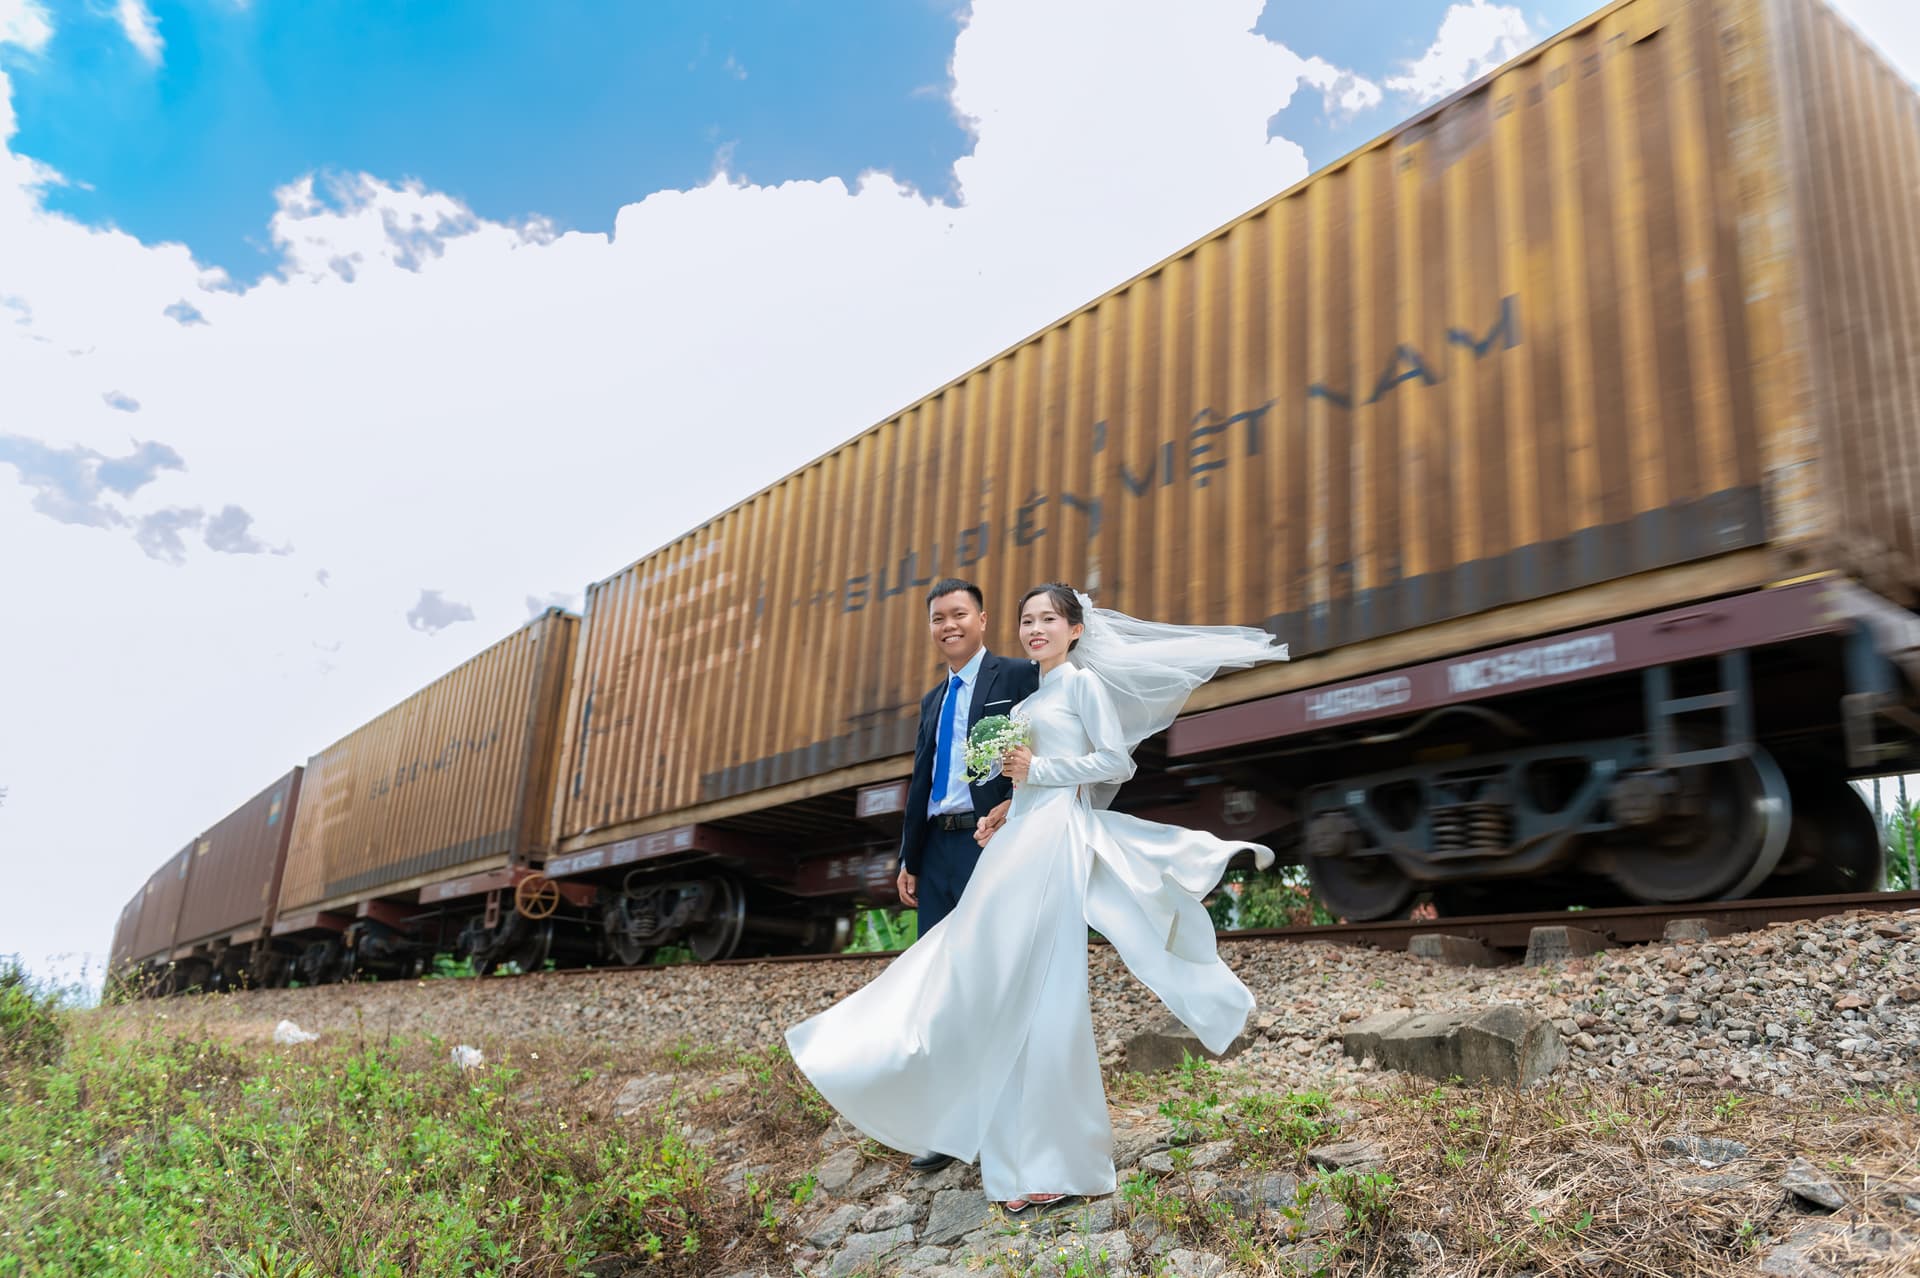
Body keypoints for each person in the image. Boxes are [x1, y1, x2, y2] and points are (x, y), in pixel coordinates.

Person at [788, 582, 1288, 1211]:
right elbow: (1026, 776)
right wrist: (1004, 808)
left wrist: (1039, 774)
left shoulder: (1080, 685)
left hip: (1053, 850)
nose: (1036, 630)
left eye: (1049, 619)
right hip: (1018, 841)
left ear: (1075, 630)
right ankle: (1007, 1158)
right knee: (988, 985)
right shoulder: (1034, 699)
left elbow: (1116, 764)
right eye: (1029, 620)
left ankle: (1061, 1160)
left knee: (1049, 999)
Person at [893, 578, 1038, 1172]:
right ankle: (952, 1126)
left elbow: (1047, 744)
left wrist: (1019, 805)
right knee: (943, 988)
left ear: (982, 618)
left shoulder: (1019, 676)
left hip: (992, 843)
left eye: (958, 614)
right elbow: (923, 780)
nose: (948, 625)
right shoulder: (933, 700)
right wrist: (909, 856)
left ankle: (1010, 1115)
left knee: (996, 980)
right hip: (939, 851)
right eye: (937, 618)